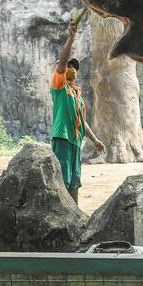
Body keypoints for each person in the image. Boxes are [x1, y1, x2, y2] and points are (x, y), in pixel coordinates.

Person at [51, 16, 105, 200]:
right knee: (62, 181)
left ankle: (75, 217)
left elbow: (82, 122)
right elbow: (62, 63)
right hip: (62, 138)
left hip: (75, 142)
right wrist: (71, 38)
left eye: (74, 67)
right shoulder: (59, 86)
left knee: (75, 181)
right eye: (68, 65)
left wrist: (95, 140)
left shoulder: (77, 95)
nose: (71, 68)